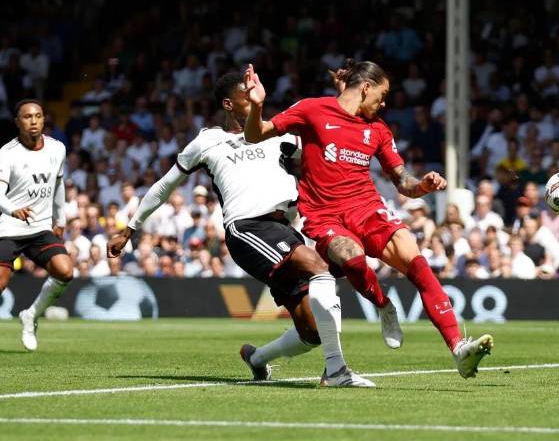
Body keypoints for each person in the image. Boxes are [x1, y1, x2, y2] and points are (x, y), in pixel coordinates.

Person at [107, 72, 374, 387]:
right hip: (248, 228)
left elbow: (330, 143)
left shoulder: (280, 134)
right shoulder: (208, 141)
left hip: (285, 231)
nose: (256, 101)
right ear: (228, 103)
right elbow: (165, 186)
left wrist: (346, 99)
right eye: (247, 97)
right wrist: (132, 227)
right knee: (319, 268)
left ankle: (257, 358)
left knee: (312, 332)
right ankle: (336, 371)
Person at [243, 59, 493, 379]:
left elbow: (403, 182)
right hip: (325, 214)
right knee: (353, 257)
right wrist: (257, 106)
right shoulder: (312, 109)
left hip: (367, 208)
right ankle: (383, 305)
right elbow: (256, 134)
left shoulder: (377, 130)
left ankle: (458, 348)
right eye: (383, 93)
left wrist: (423, 186)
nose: (384, 102)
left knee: (417, 264)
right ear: (365, 87)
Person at [0, 99, 72, 351]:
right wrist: (12, 209)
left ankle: (30, 315)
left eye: (38, 116)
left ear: (44, 119)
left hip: (40, 227)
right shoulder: (6, 154)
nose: (34, 121)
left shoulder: (57, 149)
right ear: (17, 122)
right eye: (28, 117)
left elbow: (59, 184)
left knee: (65, 271)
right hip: (7, 228)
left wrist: (60, 218)